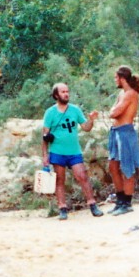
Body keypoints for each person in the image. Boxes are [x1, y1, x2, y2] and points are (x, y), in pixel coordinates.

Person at [40, 82, 104, 220]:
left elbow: (86, 127)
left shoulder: (75, 110)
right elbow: (45, 135)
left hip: (74, 151)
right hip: (57, 151)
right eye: (63, 92)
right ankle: (62, 208)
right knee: (60, 180)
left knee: (82, 176)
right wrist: (45, 155)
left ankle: (92, 204)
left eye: (67, 91)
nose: (66, 94)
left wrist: (91, 120)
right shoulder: (50, 112)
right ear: (56, 95)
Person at [106, 66, 139, 215]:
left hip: (125, 132)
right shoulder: (122, 94)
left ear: (122, 79)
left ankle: (127, 202)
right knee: (113, 166)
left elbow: (115, 112)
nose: (115, 81)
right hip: (116, 132)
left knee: (127, 167)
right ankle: (120, 200)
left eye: (116, 78)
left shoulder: (130, 94)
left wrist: (113, 111)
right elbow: (113, 112)